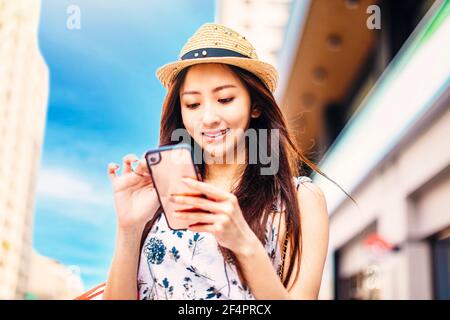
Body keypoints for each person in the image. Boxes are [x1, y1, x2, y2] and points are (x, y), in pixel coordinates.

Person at [103, 23, 329, 300]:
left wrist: (244, 243)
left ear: (255, 106)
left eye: (224, 99)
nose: (208, 117)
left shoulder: (299, 198)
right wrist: (129, 227)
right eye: (193, 104)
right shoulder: (160, 197)